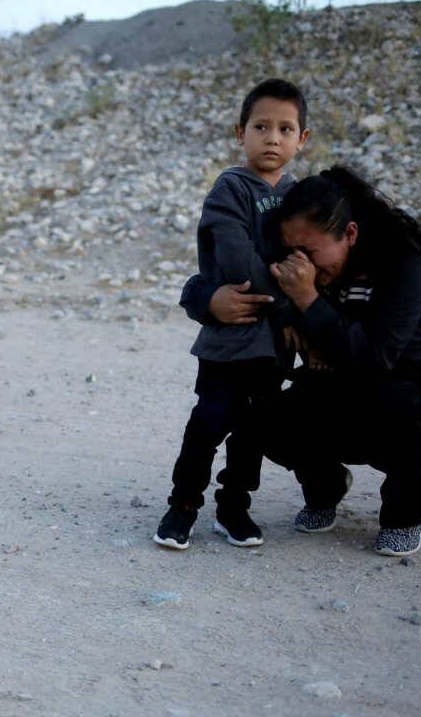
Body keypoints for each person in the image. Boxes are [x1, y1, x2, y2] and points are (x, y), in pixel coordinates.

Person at [249, 165, 421, 556]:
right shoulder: (305, 268)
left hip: (410, 390)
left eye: (309, 252)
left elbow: (377, 357)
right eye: (292, 252)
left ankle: (405, 513)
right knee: (268, 415)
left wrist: (308, 302)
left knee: (398, 406)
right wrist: (293, 318)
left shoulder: (403, 263)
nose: (299, 265)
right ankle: (325, 487)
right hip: (344, 384)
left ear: (351, 234)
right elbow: (270, 298)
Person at [153, 78, 311, 550]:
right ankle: (182, 507)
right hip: (230, 336)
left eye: (286, 129)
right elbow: (238, 259)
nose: (272, 138)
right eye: (261, 126)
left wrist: (301, 307)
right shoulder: (231, 188)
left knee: (252, 432)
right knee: (209, 422)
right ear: (240, 132)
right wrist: (290, 298)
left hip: (274, 345)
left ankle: (234, 509)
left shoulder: (301, 194)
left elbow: (310, 257)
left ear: (302, 140)